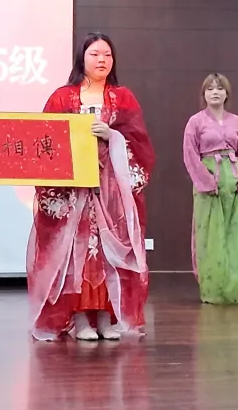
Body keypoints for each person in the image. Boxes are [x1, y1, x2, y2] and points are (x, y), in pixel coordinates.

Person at [28, 33, 155, 340]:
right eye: (95, 54)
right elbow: (47, 142)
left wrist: (113, 137)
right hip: (75, 191)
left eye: (107, 55)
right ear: (81, 58)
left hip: (110, 191)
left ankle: (106, 315)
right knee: (79, 251)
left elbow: (139, 142)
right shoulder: (62, 98)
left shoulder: (123, 97)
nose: (102, 60)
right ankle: (80, 317)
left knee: (108, 252)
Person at [182, 73, 238, 305]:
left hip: (233, 183)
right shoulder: (196, 122)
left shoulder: (237, 122)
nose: (215, 92)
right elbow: (190, 154)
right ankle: (213, 289)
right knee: (210, 236)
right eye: (210, 88)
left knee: (235, 235)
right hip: (209, 184)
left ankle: (235, 290)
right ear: (204, 94)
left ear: (226, 93)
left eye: (220, 88)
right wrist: (206, 182)